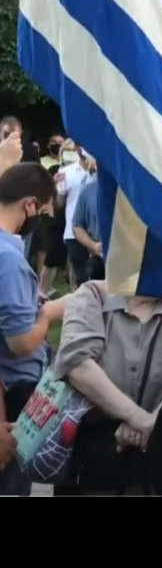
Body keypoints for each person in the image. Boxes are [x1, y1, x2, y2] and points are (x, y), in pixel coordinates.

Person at [50, 282, 162, 494]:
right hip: (92, 460)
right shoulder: (93, 295)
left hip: (153, 462)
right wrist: (137, 417)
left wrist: (154, 422)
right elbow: (77, 364)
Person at [0, 163, 68, 496]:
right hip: (14, 394)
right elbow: (19, 342)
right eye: (43, 211)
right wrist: (50, 314)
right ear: (29, 205)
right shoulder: (9, 261)